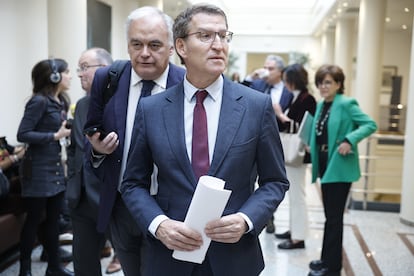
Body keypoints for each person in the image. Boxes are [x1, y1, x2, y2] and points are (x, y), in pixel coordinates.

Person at [120, 4, 289, 275]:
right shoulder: (152, 110)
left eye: (223, 36)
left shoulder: (256, 107)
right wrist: (159, 224)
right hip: (169, 258)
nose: (218, 45)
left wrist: (246, 220)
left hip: (234, 258)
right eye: (206, 36)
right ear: (182, 47)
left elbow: (275, 181)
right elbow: (132, 184)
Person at [83, 6, 186, 275]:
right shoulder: (108, 80)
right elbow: (90, 135)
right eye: (136, 44)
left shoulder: (188, 84)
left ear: (172, 47)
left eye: (154, 45)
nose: (144, 54)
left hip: (170, 211)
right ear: (127, 45)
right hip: (121, 208)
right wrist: (97, 150)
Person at [307, 64, 377, 276]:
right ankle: (326, 259)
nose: (323, 86)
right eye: (320, 82)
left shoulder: (347, 103)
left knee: (335, 218)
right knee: (330, 217)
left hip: (339, 166)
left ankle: (332, 268)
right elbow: (318, 131)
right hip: (325, 164)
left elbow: (370, 124)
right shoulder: (322, 104)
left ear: (338, 84)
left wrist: (349, 139)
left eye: (328, 82)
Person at [16, 58, 74, 276]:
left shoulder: (61, 101)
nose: (70, 75)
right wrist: (54, 135)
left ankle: (55, 267)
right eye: (66, 72)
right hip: (37, 168)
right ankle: (25, 269)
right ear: (55, 76)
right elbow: (23, 134)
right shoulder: (39, 102)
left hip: (55, 166)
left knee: (53, 220)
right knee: (33, 220)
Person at [66, 47, 119, 276]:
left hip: (113, 198)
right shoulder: (82, 105)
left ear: (104, 69)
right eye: (79, 68)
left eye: (85, 67)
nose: (79, 74)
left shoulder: (121, 102)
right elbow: (76, 150)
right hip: (81, 198)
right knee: (84, 264)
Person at [243, 54, 293, 233]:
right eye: (266, 67)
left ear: (280, 72)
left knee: (274, 180)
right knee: (254, 178)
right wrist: (251, 77)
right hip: (255, 140)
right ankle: (264, 216)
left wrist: (280, 114)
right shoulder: (257, 85)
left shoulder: (289, 91)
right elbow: (240, 93)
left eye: (271, 69)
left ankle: (269, 213)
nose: (267, 71)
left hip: (280, 139)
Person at [272, 64, 316, 249]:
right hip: (291, 155)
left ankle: (298, 237)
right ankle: (294, 230)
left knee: (298, 196)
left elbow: (301, 128)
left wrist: (281, 115)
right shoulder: (297, 97)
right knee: (294, 196)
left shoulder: (308, 99)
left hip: (297, 155)